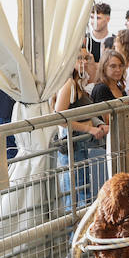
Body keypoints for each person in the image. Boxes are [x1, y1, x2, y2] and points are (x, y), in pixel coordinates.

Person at [53, 48, 106, 211]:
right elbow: (59, 117)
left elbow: (83, 112)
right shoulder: (68, 84)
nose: (83, 62)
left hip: (80, 145)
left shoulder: (77, 83)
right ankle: (74, 236)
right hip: (73, 146)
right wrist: (89, 129)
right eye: (79, 58)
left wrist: (96, 124)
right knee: (76, 199)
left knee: (81, 194)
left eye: (85, 58)